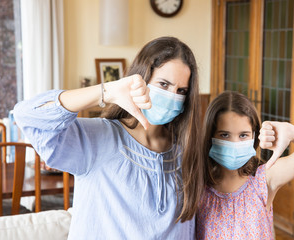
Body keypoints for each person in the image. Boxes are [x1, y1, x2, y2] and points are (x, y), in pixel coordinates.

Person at [13, 36, 204, 239]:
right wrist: (106, 91)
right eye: (164, 84)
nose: (172, 96)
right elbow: (27, 116)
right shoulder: (98, 138)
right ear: (140, 80)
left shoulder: (186, 151)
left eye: (181, 90)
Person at [196, 91, 294, 239]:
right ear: (210, 136)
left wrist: (291, 131)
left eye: (243, 135)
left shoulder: (264, 179)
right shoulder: (199, 184)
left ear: (254, 136)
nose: (235, 143)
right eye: (224, 135)